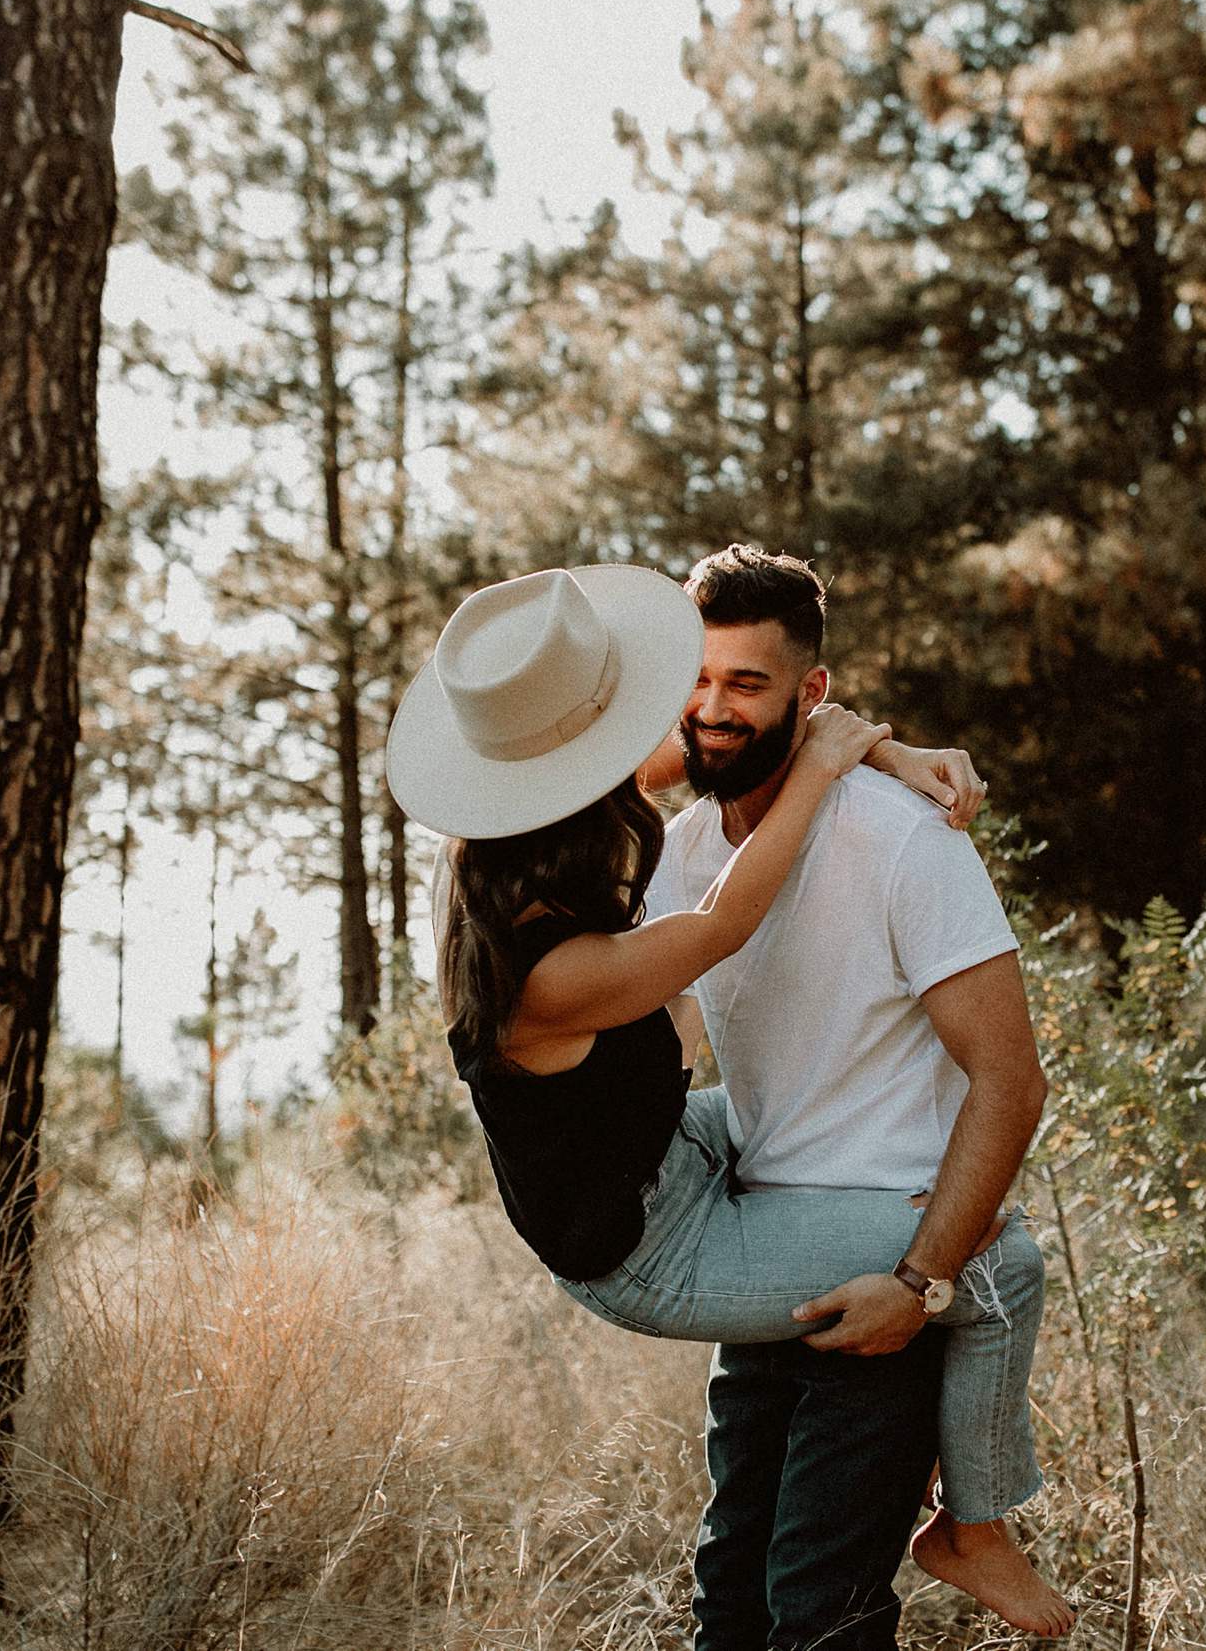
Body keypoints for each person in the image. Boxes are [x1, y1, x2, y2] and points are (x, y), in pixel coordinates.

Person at [382, 564, 1072, 1642]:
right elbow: (723, 921)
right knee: (1002, 1253)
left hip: (666, 1153)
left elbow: (706, 743)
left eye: (744, 684)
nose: (699, 714)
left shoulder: (520, 840)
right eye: (691, 683)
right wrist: (920, 1278)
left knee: (750, 1593)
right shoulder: (548, 961)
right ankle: (974, 1522)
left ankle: (965, 1521)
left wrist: (872, 745)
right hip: (652, 1227)